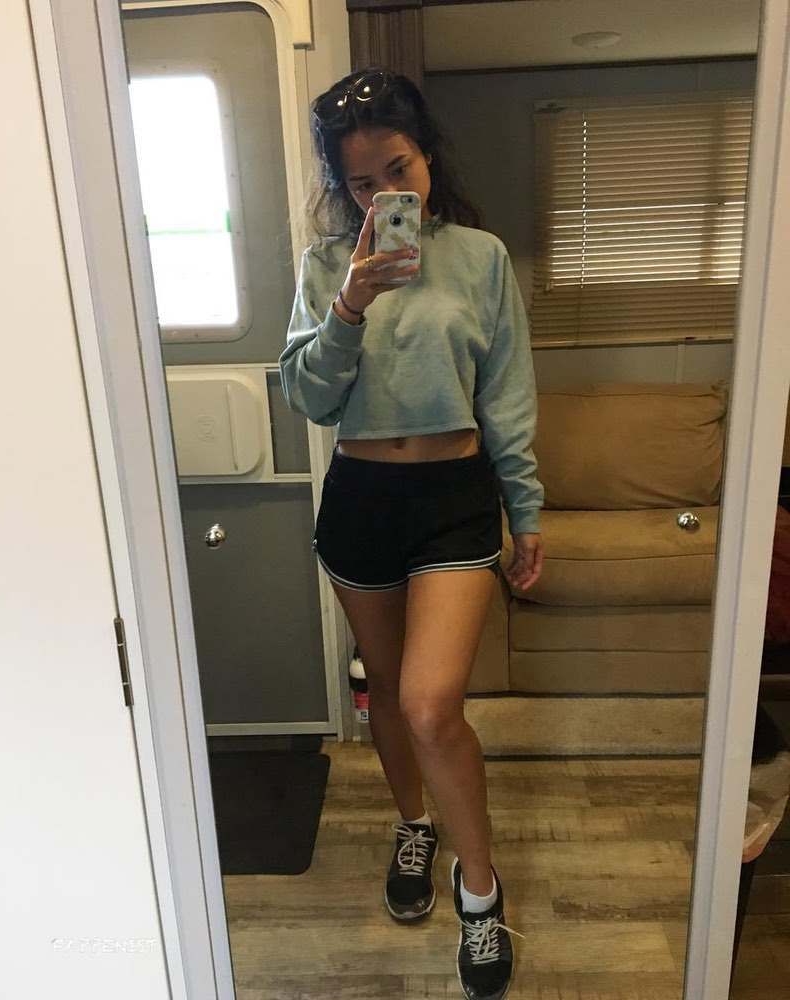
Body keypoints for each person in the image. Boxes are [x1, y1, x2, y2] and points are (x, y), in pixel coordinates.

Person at [278, 66, 545, 1000]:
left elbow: (507, 396)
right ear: (342, 187)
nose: (385, 194)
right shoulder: (324, 268)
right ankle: (414, 825)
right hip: (361, 498)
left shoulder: (480, 257)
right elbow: (309, 398)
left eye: (399, 169)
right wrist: (349, 305)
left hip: (454, 495)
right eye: (362, 183)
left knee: (432, 704)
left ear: (428, 155)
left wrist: (526, 508)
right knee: (388, 692)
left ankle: (480, 891)